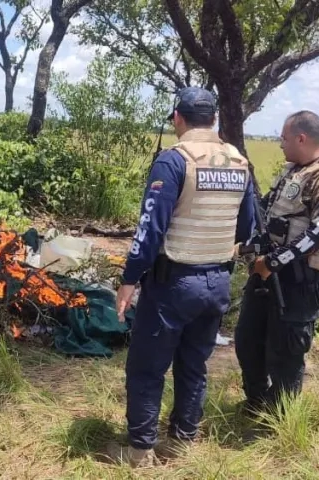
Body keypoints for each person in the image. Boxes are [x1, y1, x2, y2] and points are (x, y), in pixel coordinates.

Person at [109, 87, 258, 467]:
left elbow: (150, 228)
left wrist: (129, 279)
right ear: (214, 119)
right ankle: (182, 440)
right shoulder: (239, 161)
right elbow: (247, 227)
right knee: (194, 364)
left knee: (146, 366)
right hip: (217, 283)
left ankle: (140, 450)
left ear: (178, 117)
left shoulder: (174, 160)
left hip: (173, 284)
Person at [235, 110, 319, 414]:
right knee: (248, 339)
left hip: (298, 281)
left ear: (301, 138)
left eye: (284, 137)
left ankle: (280, 419)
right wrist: (248, 248)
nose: (280, 143)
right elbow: (269, 217)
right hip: (266, 273)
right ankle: (255, 403)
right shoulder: (292, 170)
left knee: (286, 351)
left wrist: (274, 262)